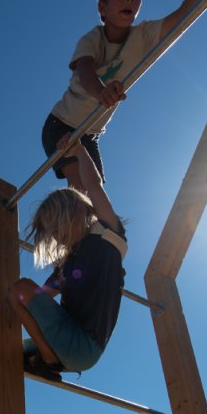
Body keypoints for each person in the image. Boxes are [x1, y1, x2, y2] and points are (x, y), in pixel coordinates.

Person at [44, 0, 204, 189]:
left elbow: (182, 16)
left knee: (96, 193)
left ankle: (93, 224)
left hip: (90, 134)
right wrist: (101, 91)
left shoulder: (143, 36)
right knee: (80, 188)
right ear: (102, 7)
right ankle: (68, 219)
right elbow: (85, 69)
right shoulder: (92, 39)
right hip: (60, 125)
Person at [10, 136, 126, 381]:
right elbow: (36, 302)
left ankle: (48, 360)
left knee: (20, 288)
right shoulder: (68, 265)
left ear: (78, 213)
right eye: (52, 234)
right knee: (7, 348)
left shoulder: (107, 235)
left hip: (82, 346)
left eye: (58, 228)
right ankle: (44, 357)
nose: (57, 237)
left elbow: (93, 187)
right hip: (69, 345)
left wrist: (80, 151)